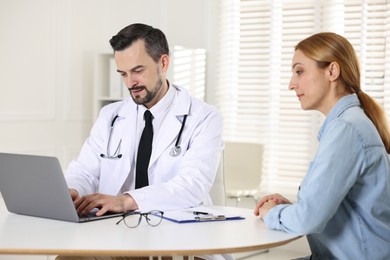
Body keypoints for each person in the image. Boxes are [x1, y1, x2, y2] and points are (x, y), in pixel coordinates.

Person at [59, 23, 228, 260]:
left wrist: (127, 201)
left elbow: (192, 185)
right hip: (116, 232)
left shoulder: (203, 117)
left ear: (164, 63)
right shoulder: (111, 116)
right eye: (123, 74)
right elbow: (85, 170)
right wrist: (72, 190)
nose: (130, 83)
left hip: (177, 233)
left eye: (138, 70)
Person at [254, 32, 390, 259]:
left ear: (332, 71)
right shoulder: (348, 124)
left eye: (299, 71)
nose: (291, 84)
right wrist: (294, 208)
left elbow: (308, 220)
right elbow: (331, 209)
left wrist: (272, 213)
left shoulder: (347, 129)